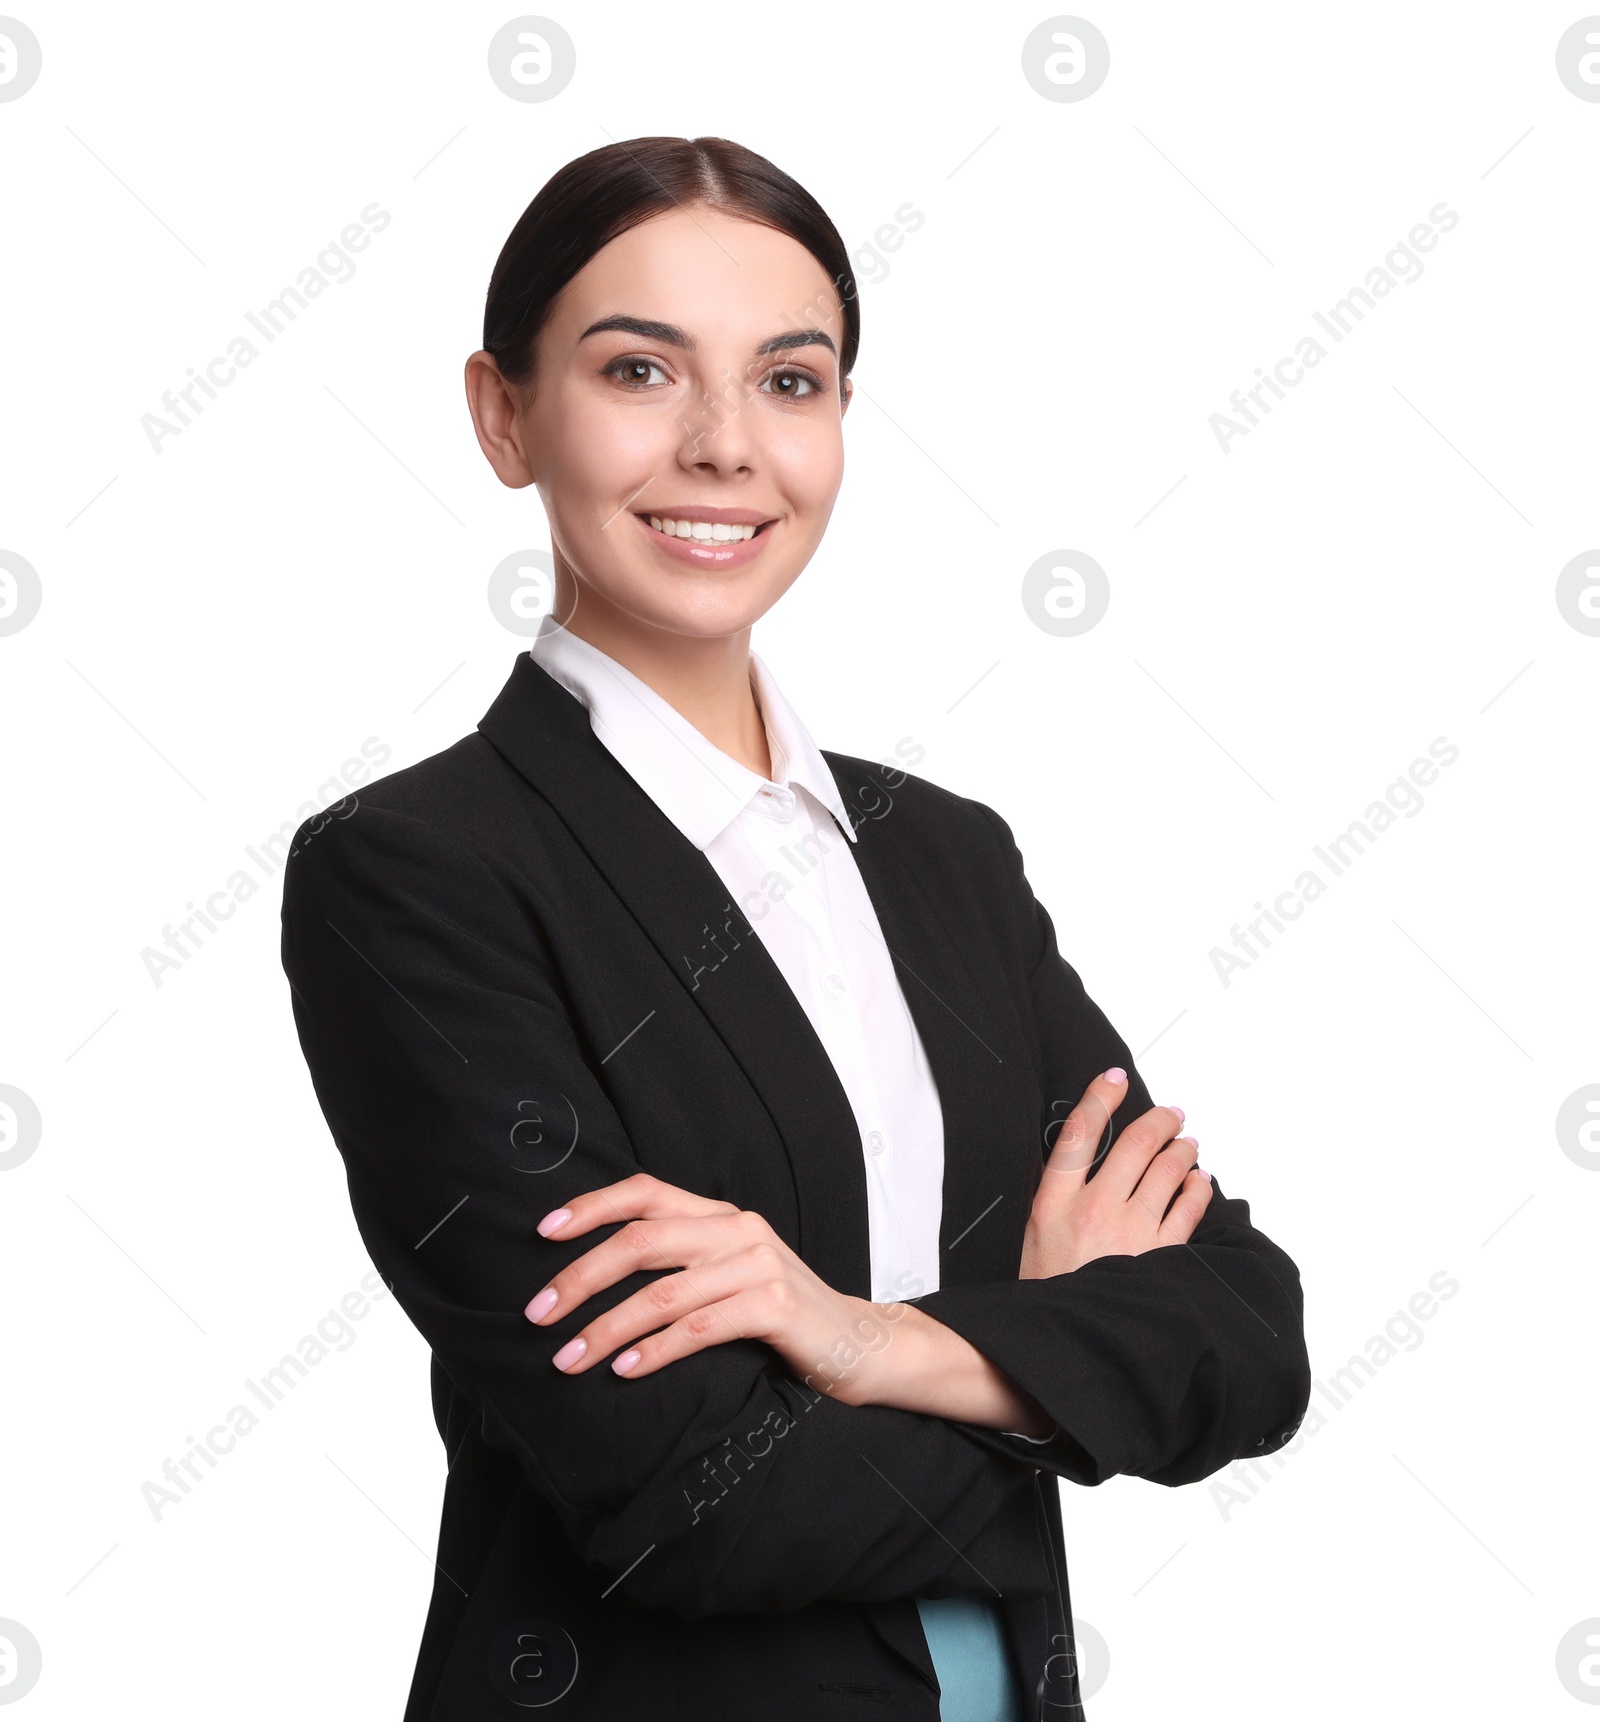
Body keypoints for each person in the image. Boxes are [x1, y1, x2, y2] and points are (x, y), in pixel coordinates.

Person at [280, 135, 1311, 1722]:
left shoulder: (947, 858)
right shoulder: (417, 876)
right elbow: (683, 1498)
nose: (721, 446)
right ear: (503, 413)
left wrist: (862, 1342)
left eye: (789, 380)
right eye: (639, 370)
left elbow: (1244, 1334)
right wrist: (1062, 1367)